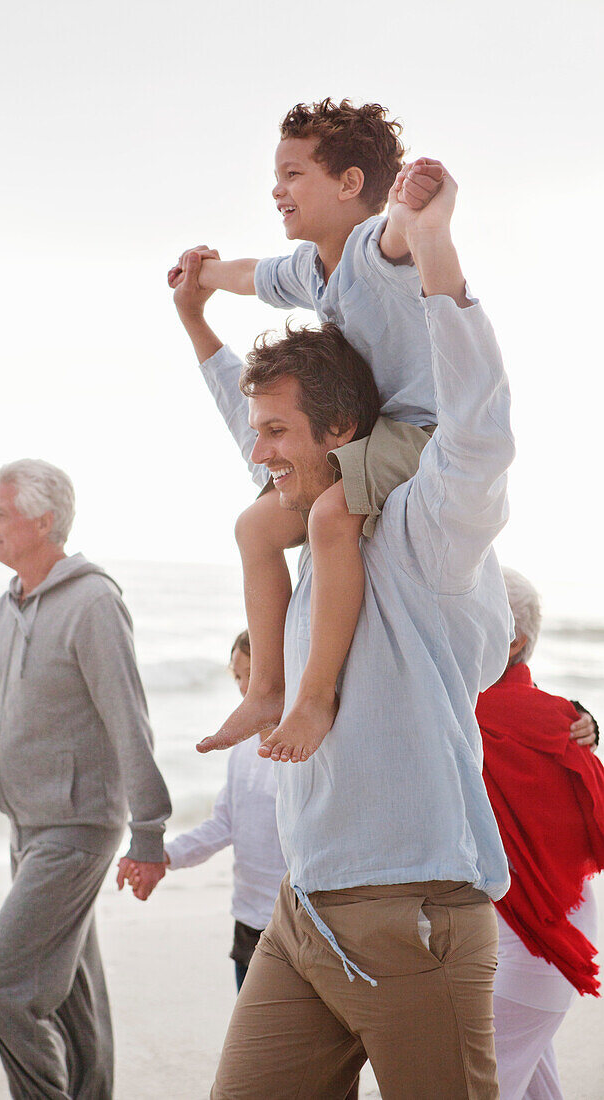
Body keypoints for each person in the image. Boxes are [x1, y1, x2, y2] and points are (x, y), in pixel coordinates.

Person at [175, 163, 515, 1099]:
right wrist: (197, 325)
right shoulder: (302, 525)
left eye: (278, 433)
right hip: (304, 915)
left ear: (339, 436)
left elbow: (477, 433)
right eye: (258, 432)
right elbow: (246, 424)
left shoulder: (420, 532)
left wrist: (437, 251)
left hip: (413, 914)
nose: (259, 452)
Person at [169, 100, 442, 766]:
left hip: (417, 431)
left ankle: (313, 697)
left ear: (349, 185)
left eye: (293, 174)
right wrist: (200, 278)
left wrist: (413, 204)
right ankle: (267, 686)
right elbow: (246, 275)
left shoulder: (371, 250)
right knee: (255, 526)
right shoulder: (304, 268)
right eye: (275, 175)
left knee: (328, 514)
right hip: (360, 436)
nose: (276, 188)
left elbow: (399, 237)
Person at [0, 459, 171, 1100]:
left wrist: (150, 834)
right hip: (27, 829)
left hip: (77, 831)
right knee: (77, 1001)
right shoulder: (2, 613)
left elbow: (130, 722)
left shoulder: (94, 604)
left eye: (0, 512)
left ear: (43, 521)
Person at [476, 567, 604, 1100]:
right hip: (535, 938)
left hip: (533, 944)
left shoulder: (485, 714)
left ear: (514, 640)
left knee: (475, 1089)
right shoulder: (558, 719)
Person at [122, 631, 287, 992]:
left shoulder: (301, 751)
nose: (245, 688)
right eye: (238, 676)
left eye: (254, 675)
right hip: (247, 919)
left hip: (293, 922)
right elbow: (223, 824)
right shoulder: (242, 749)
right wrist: (163, 856)